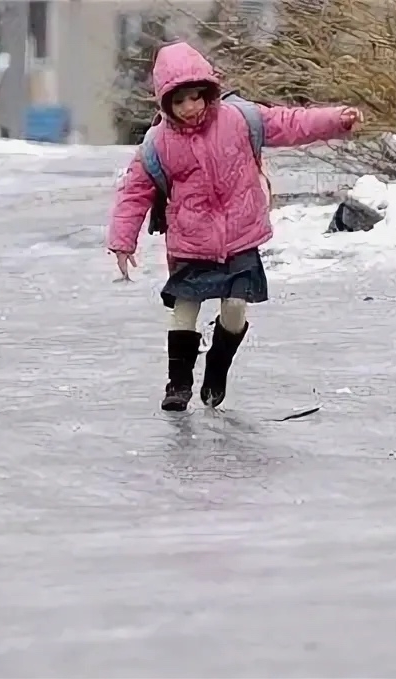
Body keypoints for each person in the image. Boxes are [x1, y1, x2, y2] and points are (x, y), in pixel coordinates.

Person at [107, 41, 364, 412]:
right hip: (191, 242)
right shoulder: (158, 143)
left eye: (196, 97)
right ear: (165, 104)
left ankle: (218, 364)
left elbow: (290, 123)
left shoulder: (241, 119)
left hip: (240, 237)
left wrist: (337, 119)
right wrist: (122, 240)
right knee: (185, 307)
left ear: (210, 92)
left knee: (234, 308)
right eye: (179, 101)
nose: (190, 108)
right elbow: (134, 191)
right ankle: (177, 383)